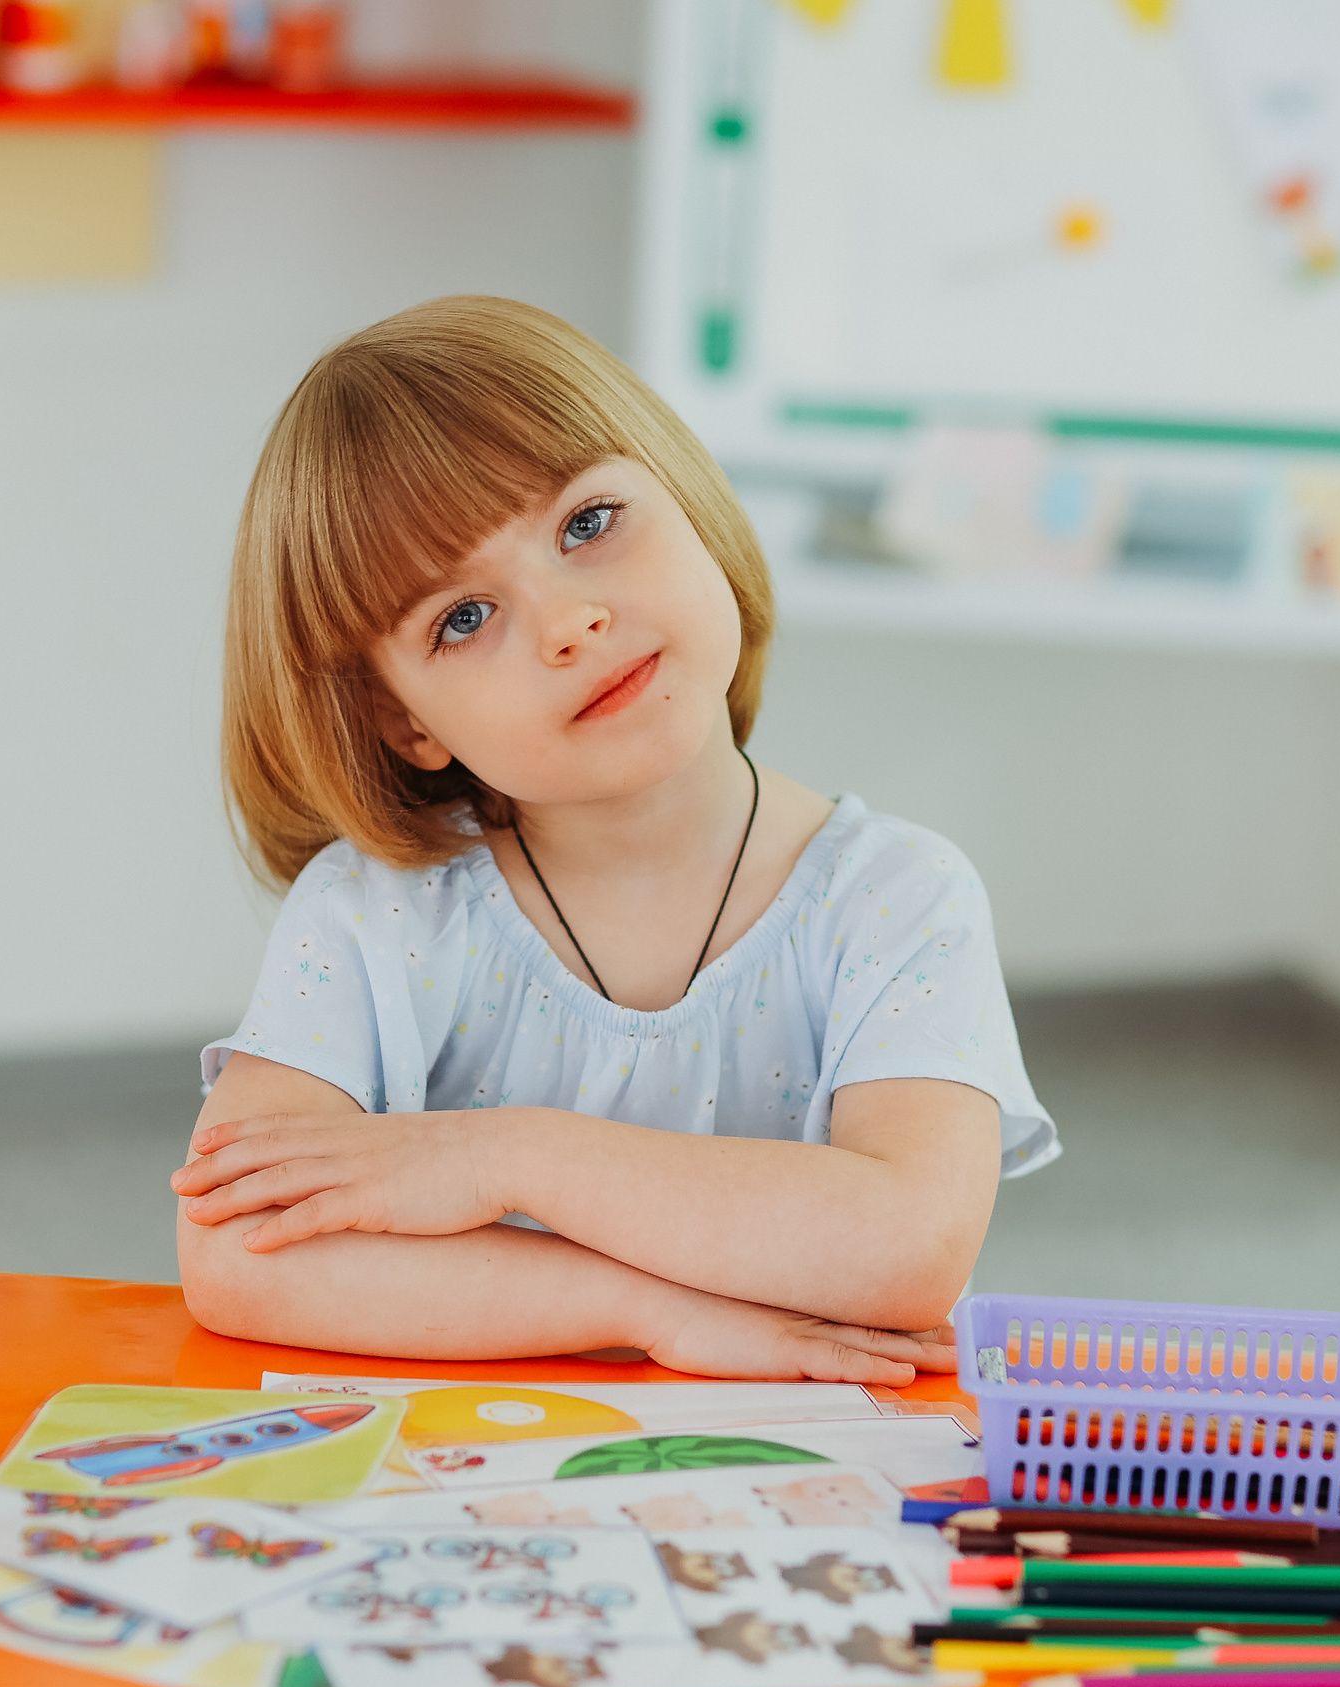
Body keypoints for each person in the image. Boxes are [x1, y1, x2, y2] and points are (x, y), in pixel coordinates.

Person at [170, 296, 1054, 1384]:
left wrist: (505, 1158)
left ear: (683, 499)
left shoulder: (898, 896)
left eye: (586, 524)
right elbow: (233, 1256)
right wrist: (643, 1310)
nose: (566, 621)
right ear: (406, 724)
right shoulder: (374, 910)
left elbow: (907, 1244)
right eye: (461, 617)